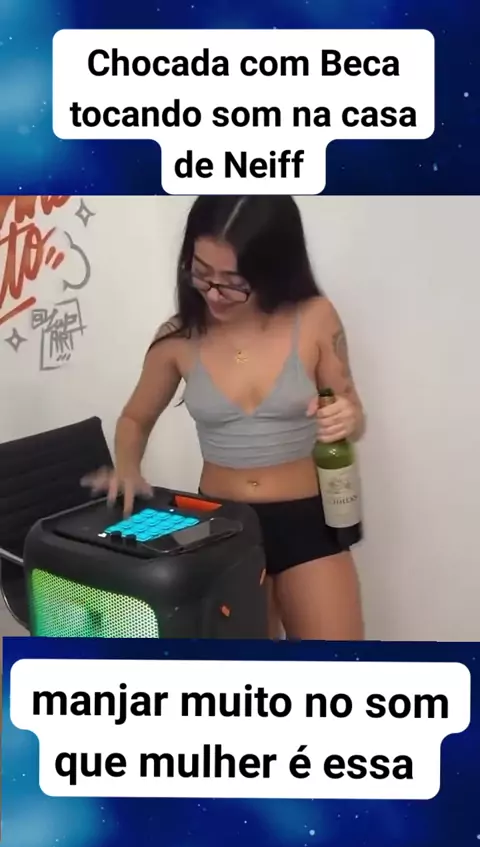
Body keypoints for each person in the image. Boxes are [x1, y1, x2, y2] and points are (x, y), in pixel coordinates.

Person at [83, 196, 365, 640]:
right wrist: (128, 467)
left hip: (307, 521)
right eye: (201, 273)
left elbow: (352, 412)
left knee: (337, 666)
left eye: (233, 282)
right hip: (220, 525)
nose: (214, 293)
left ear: (272, 269)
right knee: (243, 673)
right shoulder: (177, 337)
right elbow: (135, 418)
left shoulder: (314, 318)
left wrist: (346, 418)